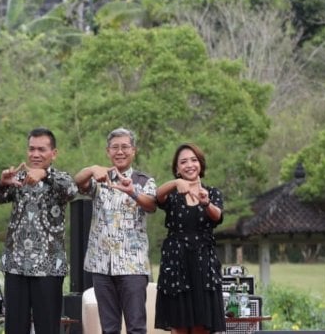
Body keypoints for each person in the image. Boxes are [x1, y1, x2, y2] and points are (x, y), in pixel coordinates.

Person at [0, 127, 78, 334]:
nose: (35, 154)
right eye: (31, 149)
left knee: (47, 327)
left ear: (53, 153)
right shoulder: (18, 177)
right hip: (16, 265)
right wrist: (2, 182)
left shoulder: (60, 178)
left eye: (41, 149)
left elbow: (71, 190)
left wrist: (45, 174)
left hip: (48, 266)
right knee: (15, 327)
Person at [73, 128, 157, 334]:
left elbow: (151, 205)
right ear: (108, 151)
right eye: (115, 147)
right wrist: (92, 168)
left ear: (134, 151)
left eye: (125, 147)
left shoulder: (144, 181)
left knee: (136, 327)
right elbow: (78, 182)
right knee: (109, 328)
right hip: (102, 265)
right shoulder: (101, 178)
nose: (120, 152)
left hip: (133, 266)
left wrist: (132, 192)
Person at [153, 143, 225, 334]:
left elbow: (217, 216)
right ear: (177, 169)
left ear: (200, 164)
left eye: (193, 160)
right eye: (183, 162)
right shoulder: (173, 194)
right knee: (180, 324)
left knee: (203, 324)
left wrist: (206, 203)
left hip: (203, 263)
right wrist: (175, 183)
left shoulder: (212, 193)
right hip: (177, 262)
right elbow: (158, 196)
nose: (189, 165)